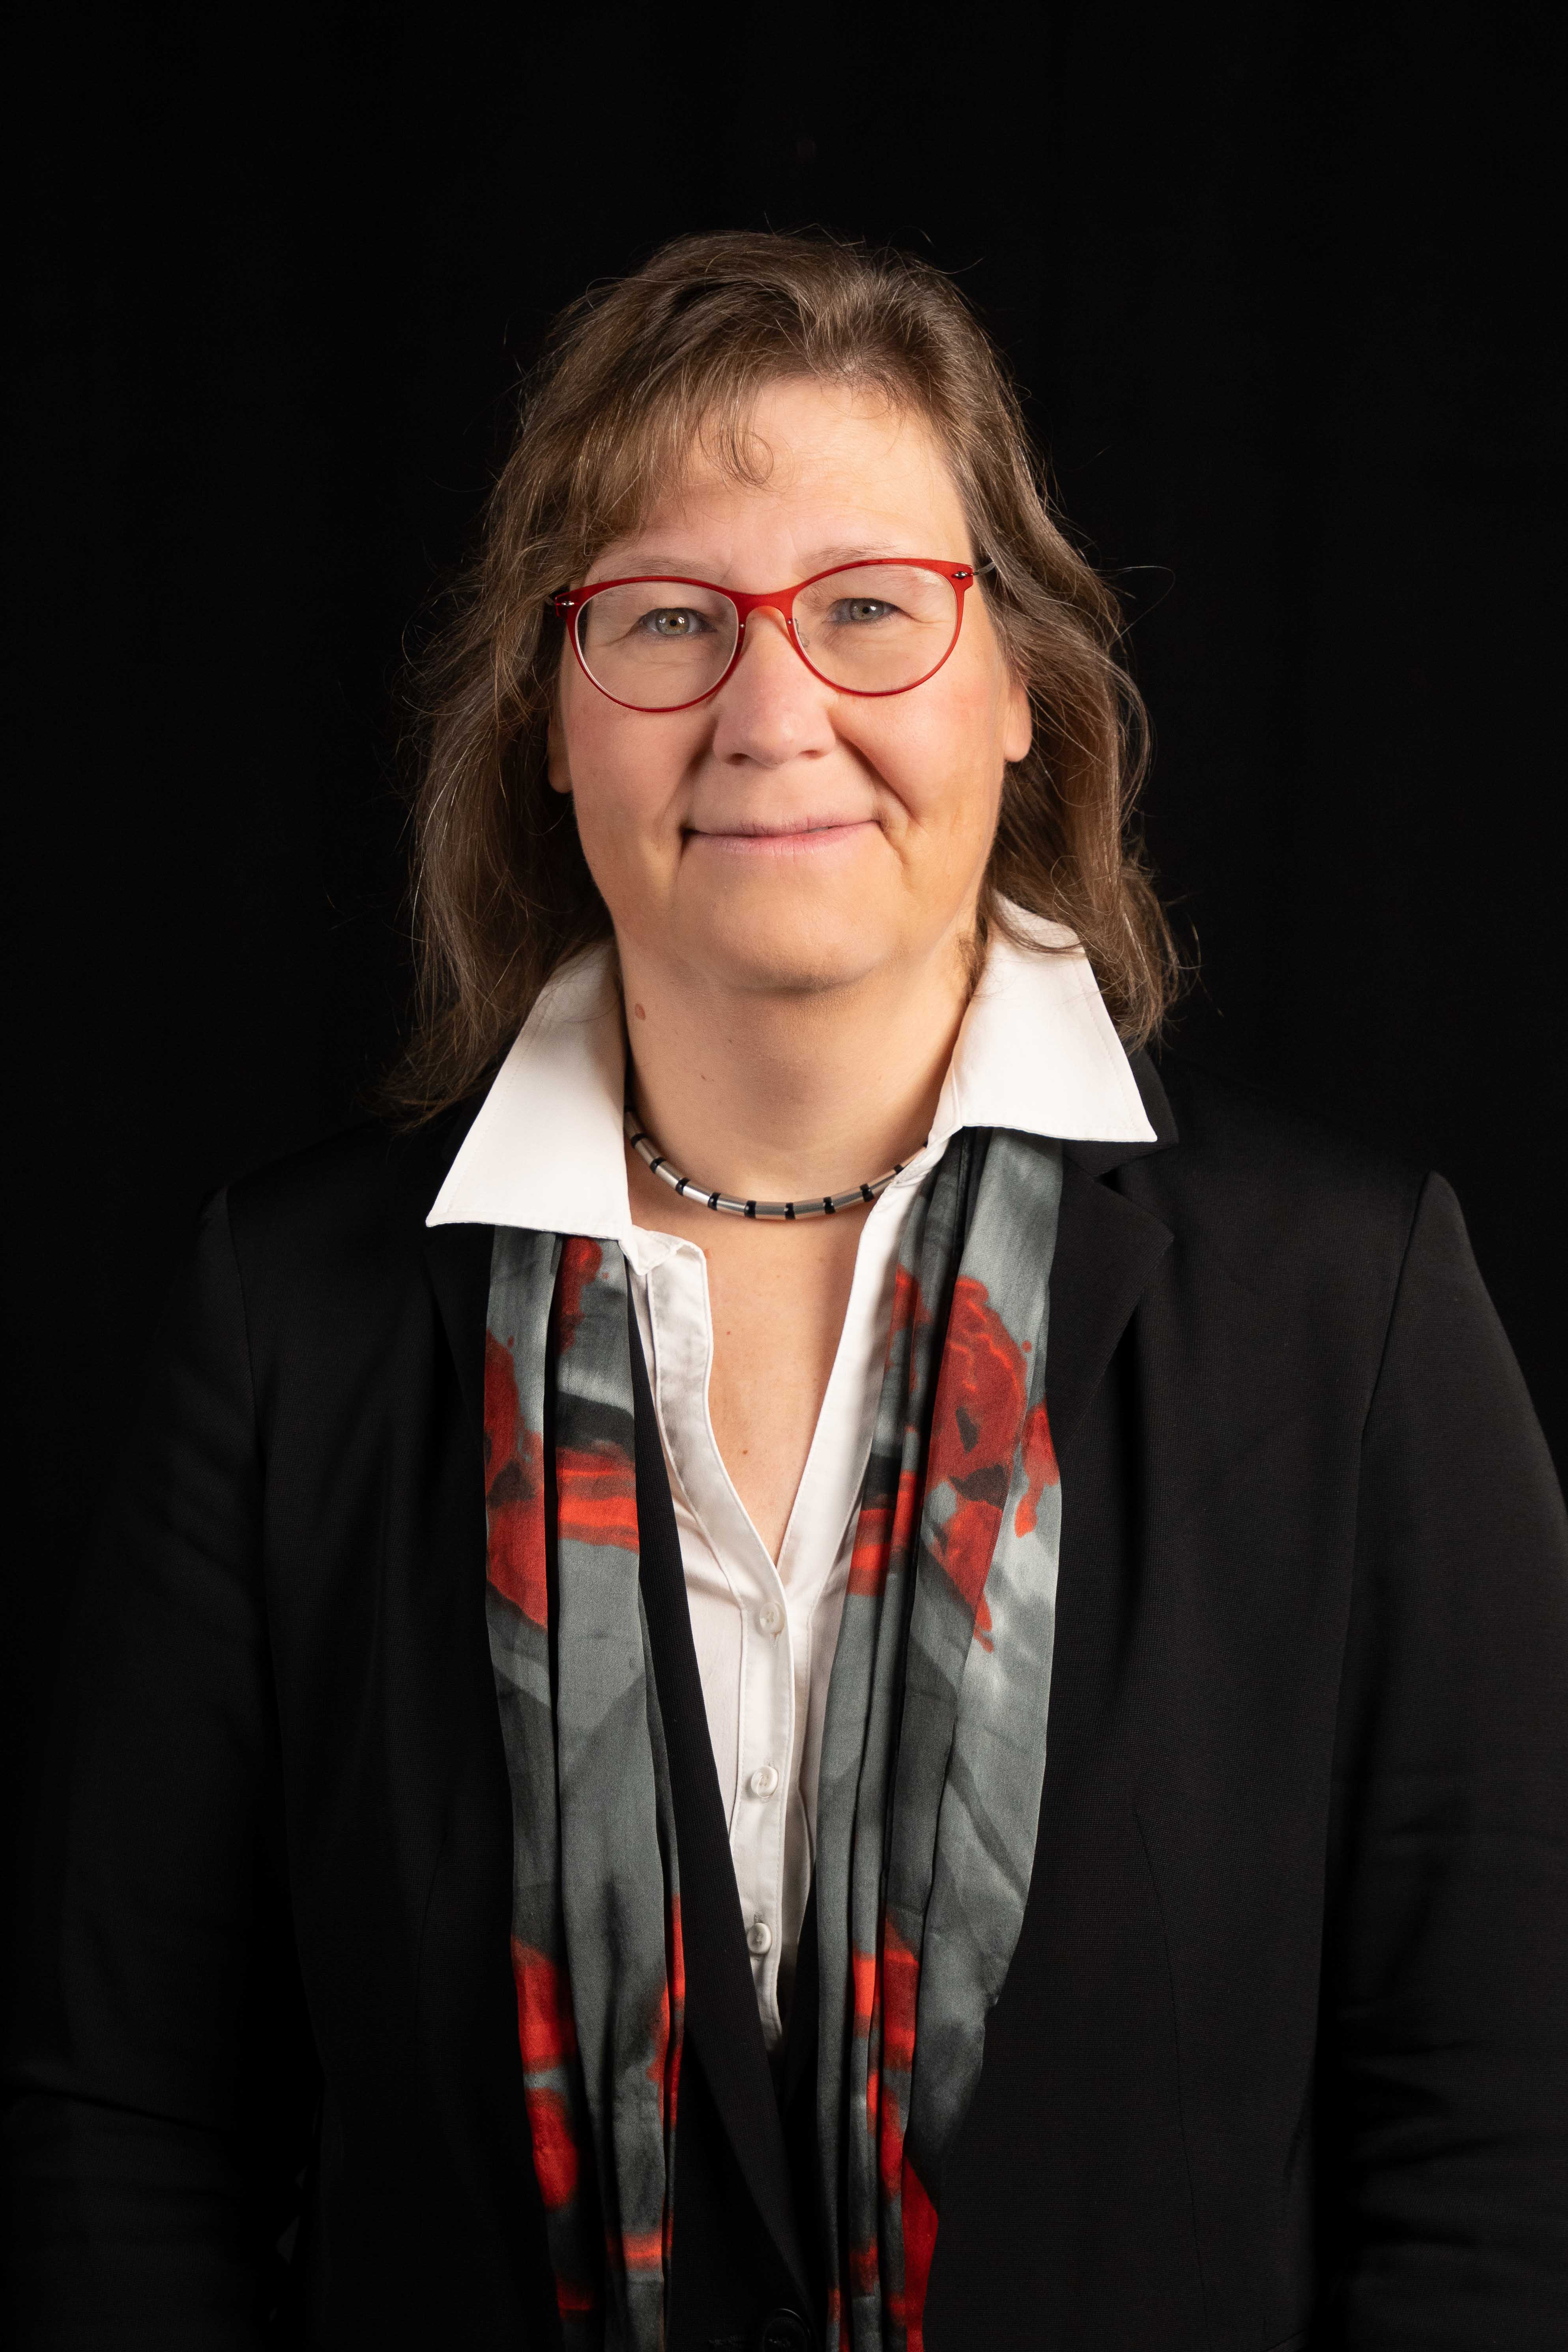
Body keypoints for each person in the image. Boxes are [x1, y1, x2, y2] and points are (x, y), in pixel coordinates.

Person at [5, 230, 1566, 2352]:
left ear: (1018, 688)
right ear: (551, 725)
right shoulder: (294, 1320)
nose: (770, 712)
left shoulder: (1346, 1306)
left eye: (867, 609)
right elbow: (128, 2130)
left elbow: (1502, 2149)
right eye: (665, 619)